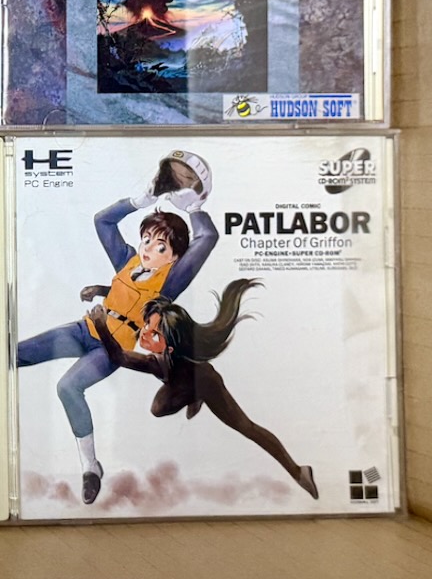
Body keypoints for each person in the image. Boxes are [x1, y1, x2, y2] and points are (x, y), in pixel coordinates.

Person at [17, 150, 218, 504]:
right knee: (15, 354)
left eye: (160, 246)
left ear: (174, 256)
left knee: (68, 387)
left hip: (111, 347)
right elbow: (102, 222)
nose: (149, 249)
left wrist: (195, 208)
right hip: (84, 329)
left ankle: (90, 466)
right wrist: (140, 200)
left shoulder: (171, 280)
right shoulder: (128, 260)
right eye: (147, 240)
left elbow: (208, 238)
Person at [88, 280, 319, 499]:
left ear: (170, 347)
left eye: (155, 333)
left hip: (205, 383)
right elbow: (120, 355)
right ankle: (192, 397)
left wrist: (101, 325)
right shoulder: (159, 360)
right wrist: (101, 305)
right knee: (158, 408)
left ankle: (299, 471)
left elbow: (121, 357)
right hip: (180, 386)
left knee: (246, 427)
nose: (145, 332)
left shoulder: (176, 365)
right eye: (148, 324)